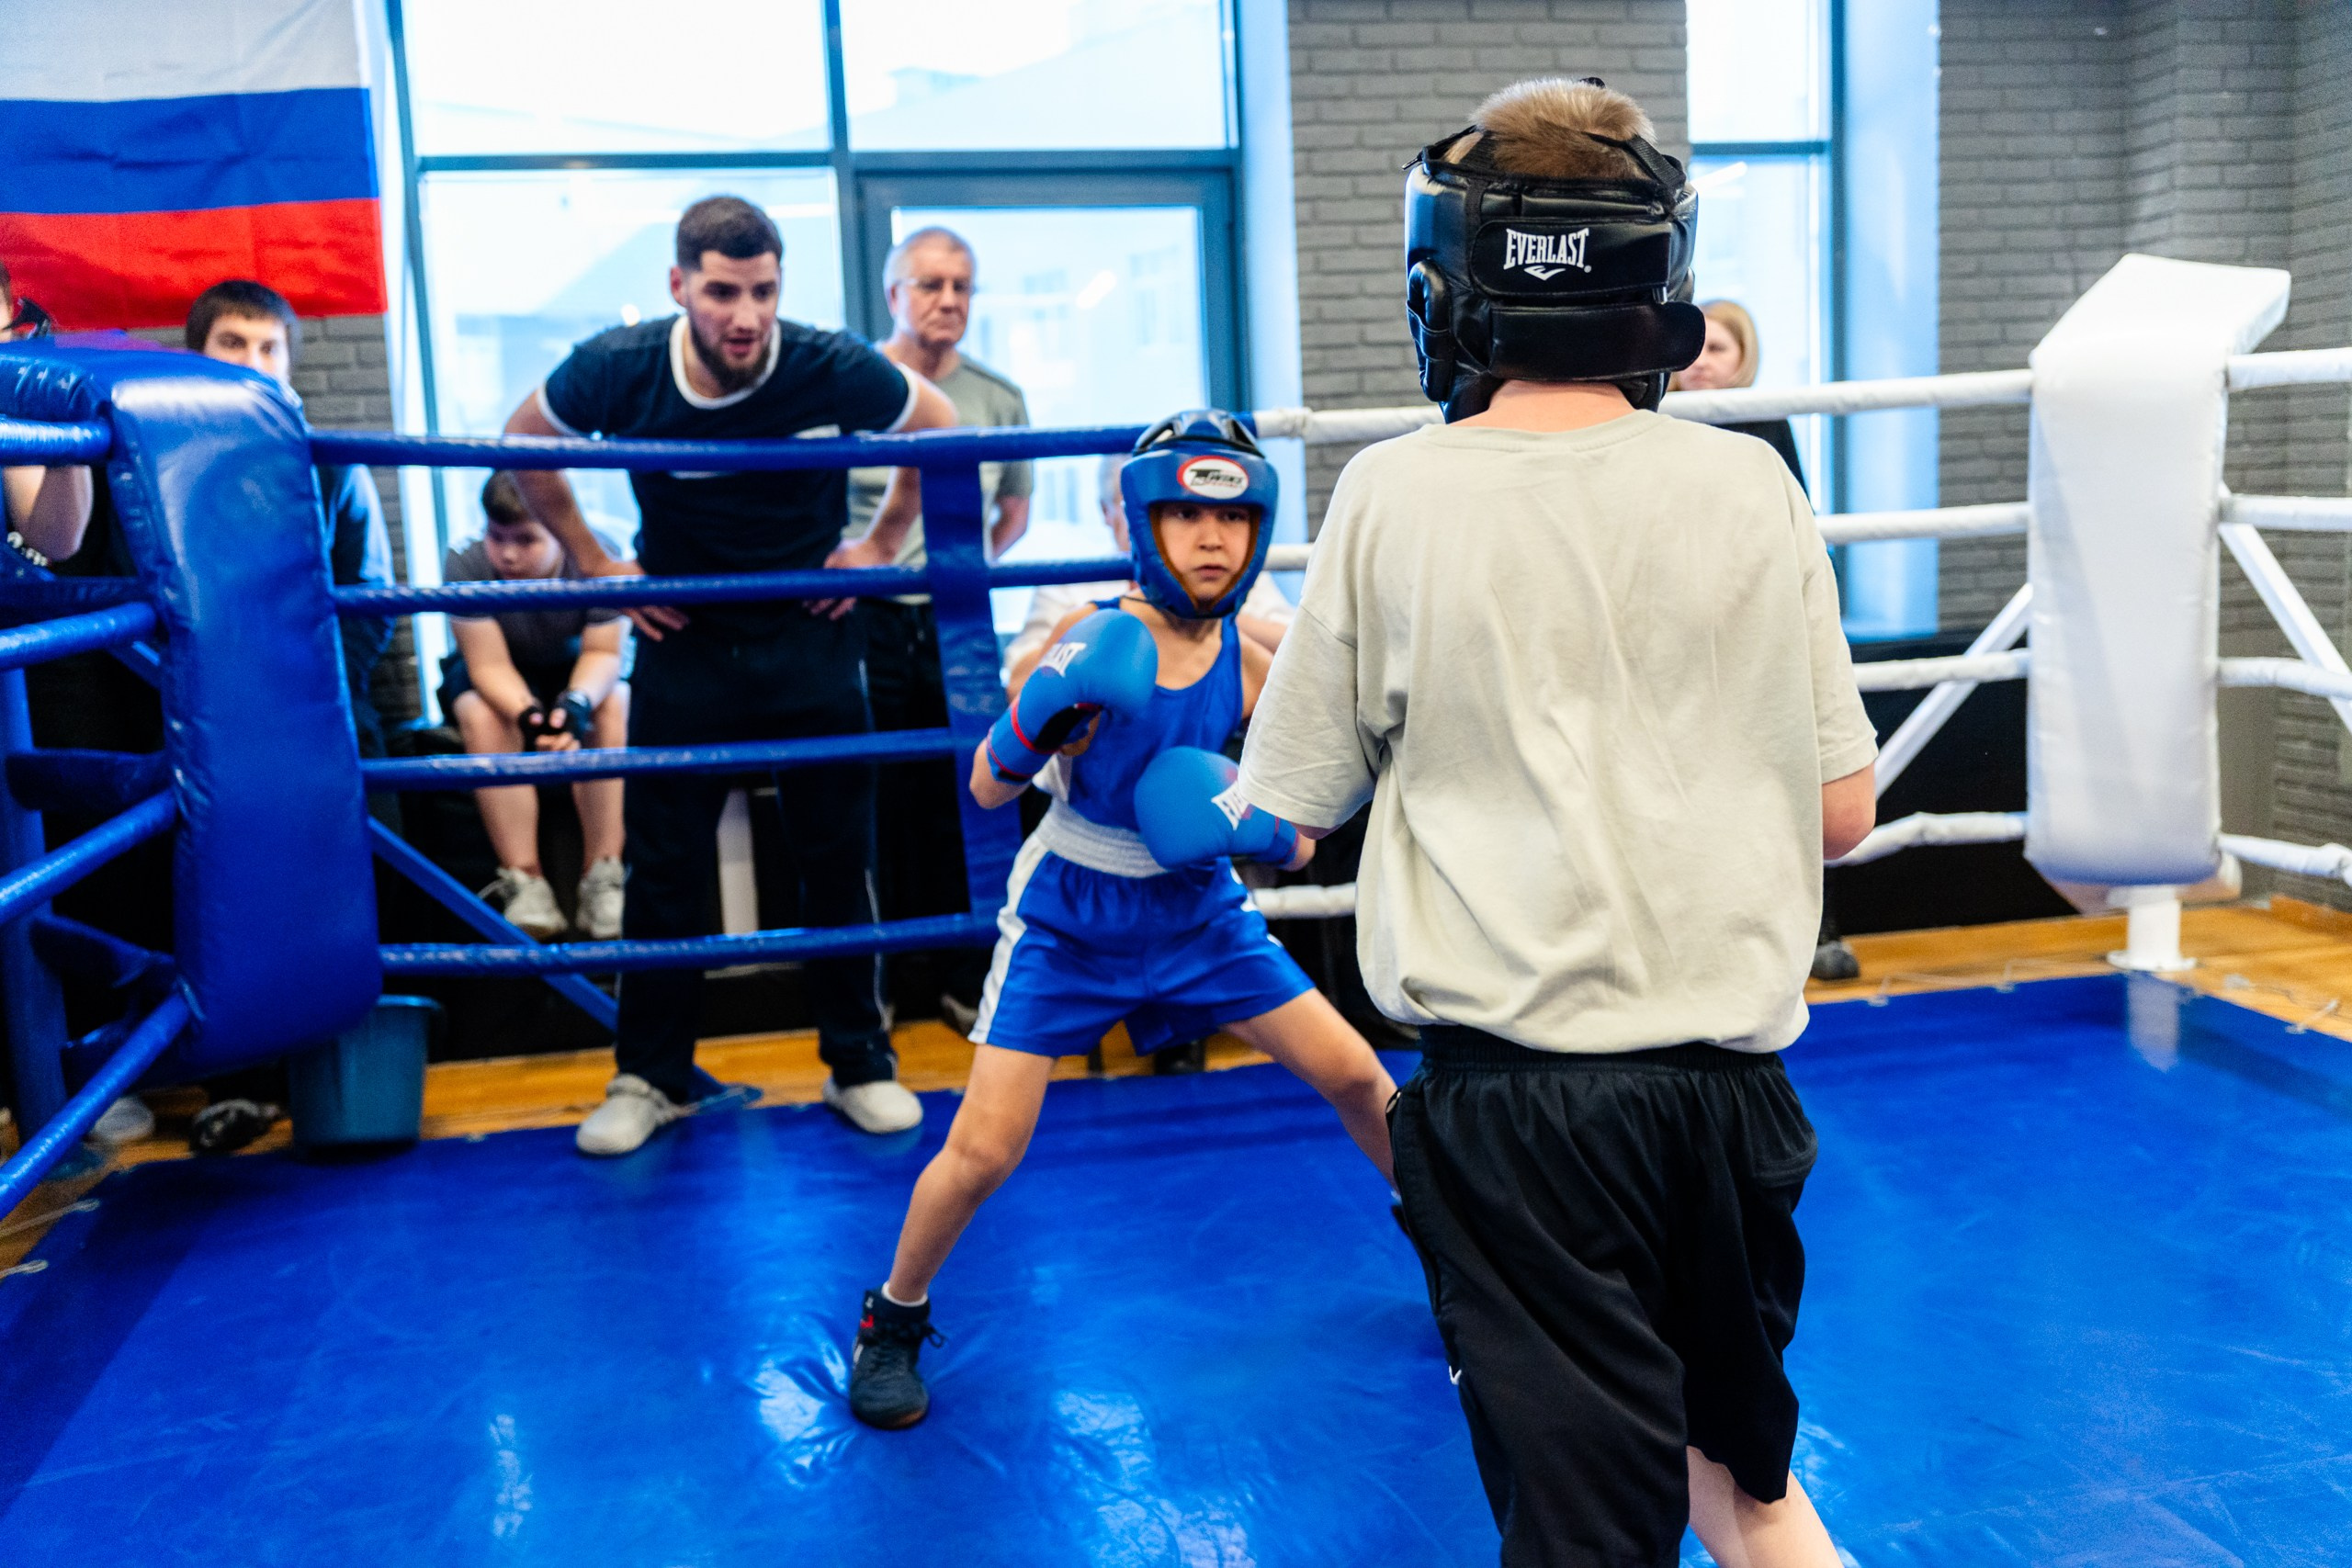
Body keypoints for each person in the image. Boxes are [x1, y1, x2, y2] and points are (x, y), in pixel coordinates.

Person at [1235, 80, 1876, 1568]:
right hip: (1733, 1103)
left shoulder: (1392, 493)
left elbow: (1285, 815)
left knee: (1587, 1536)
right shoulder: (1752, 480)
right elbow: (1843, 814)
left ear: (1443, 281)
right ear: (1657, 281)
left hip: (1522, 1112)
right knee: (1744, 1487)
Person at [844, 410, 1398, 1430]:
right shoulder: (1089, 636)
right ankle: (892, 1317)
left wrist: (1252, 825)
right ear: (1142, 523)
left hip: (1198, 914)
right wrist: (1040, 715)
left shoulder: (1252, 654)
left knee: (1360, 1075)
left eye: (1230, 519)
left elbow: (1308, 831)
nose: (1210, 538)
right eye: (1184, 513)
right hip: (1068, 920)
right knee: (984, 1149)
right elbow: (983, 783)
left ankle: (1460, 1258)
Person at [500, 196, 958, 1155]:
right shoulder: (619, 369)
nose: (744, 315)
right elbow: (521, 438)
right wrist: (591, 556)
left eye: (761, 291)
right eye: (720, 292)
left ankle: (860, 1064)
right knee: (663, 867)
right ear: (679, 288)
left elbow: (939, 419)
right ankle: (649, 1078)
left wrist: (878, 542)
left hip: (810, 635)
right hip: (684, 641)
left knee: (838, 857)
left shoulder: (826, 362)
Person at [846, 228, 1033, 1032]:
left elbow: (1015, 510)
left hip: (960, 625)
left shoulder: (998, 394)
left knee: (973, 800)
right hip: (865, 623)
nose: (948, 300)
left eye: (961, 286)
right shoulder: (847, 388)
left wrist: (965, 568)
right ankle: (876, 990)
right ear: (895, 296)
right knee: (872, 801)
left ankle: (968, 981)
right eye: (930, 285)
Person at [1673, 299, 1861, 985]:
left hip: (1753, 628)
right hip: (1681, 634)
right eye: (1691, 348)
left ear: (1743, 359)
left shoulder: (1764, 422)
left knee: (1801, 773)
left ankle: (1818, 928)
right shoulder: (1648, 428)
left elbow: (1796, 533)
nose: (1700, 363)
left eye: (1717, 349)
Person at [187, 281, 399, 764]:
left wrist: (315, 677)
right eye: (233, 343)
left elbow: (371, 594)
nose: (253, 364)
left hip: (319, 695)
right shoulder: (164, 465)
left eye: (268, 348)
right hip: (203, 704)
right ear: (198, 354)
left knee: (368, 820)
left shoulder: (332, 464)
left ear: (288, 362)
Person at [439, 472, 631, 940]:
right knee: (481, 713)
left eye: (525, 540)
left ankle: (602, 878)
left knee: (614, 702)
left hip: (575, 669)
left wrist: (577, 705)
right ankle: (526, 882)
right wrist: (530, 715)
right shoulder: (466, 562)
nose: (506, 554)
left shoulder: (598, 556)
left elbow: (604, 654)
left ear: (558, 532)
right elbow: (486, 665)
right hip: (503, 673)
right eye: (496, 536)